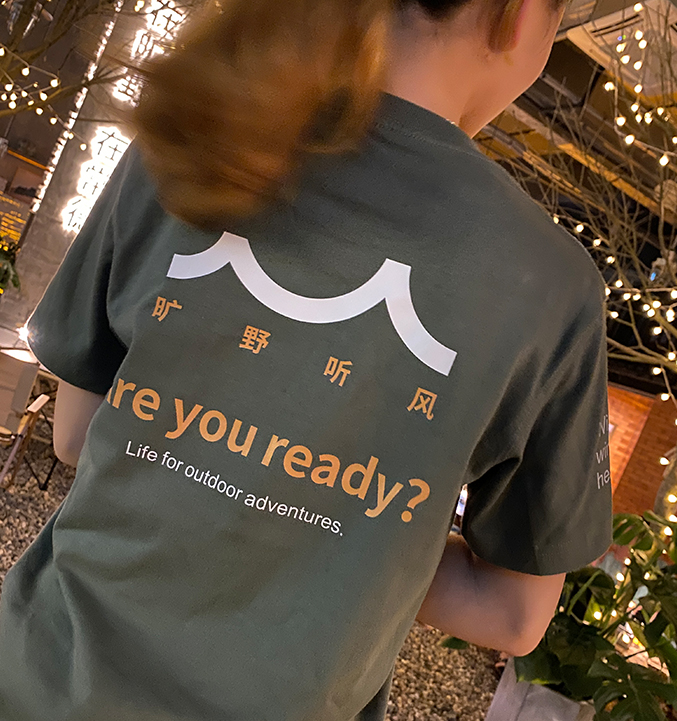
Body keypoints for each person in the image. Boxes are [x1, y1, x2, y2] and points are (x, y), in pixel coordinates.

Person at [0, 0, 613, 719]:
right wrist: (344, 535)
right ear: (521, 14)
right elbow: (512, 614)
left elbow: (76, 434)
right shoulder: (549, 284)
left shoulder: (197, 135)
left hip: (35, 678)